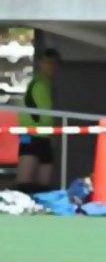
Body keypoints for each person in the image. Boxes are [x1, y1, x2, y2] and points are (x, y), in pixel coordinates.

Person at [16, 47, 60, 192]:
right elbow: (38, 113)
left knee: (43, 186)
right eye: (48, 62)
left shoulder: (48, 84)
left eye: (54, 63)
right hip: (30, 136)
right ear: (41, 63)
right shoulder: (36, 83)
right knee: (24, 183)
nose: (51, 66)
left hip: (45, 137)